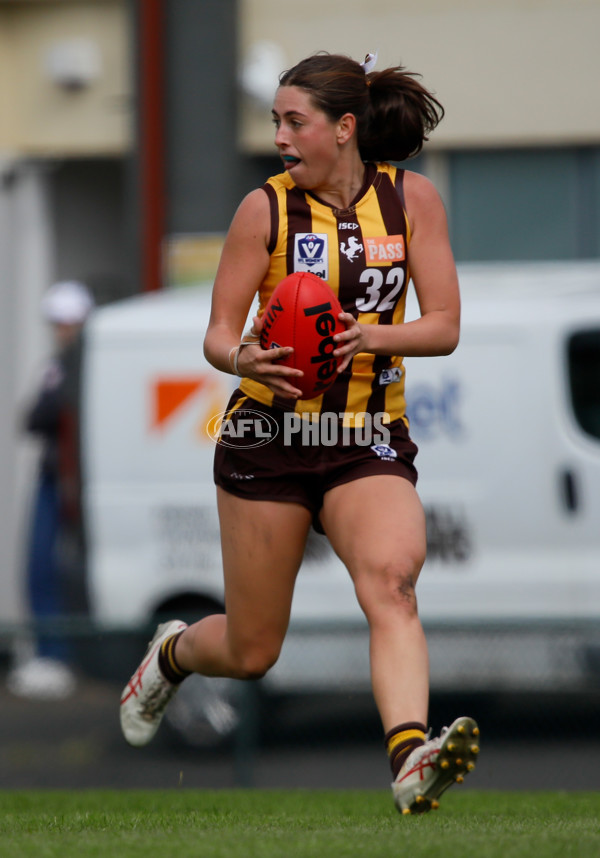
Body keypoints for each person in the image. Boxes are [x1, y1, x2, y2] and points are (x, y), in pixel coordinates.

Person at [120, 51, 480, 814]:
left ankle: (411, 758)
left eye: (295, 121)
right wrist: (240, 352)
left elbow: (444, 325)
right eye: (276, 121)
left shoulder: (414, 201)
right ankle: (172, 653)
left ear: (345, 128)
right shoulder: (265, 209)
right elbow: (218, 334)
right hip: (268, 439)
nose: (280, 136)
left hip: (363, 434)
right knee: (253, 652)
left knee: (392, 584)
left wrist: (370, 340)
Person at [7, 280, 94, 700]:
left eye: (67, 322)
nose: (62, 330)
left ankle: (59, 655)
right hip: (56, 478)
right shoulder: (58, 365)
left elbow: (42, 414)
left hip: (72, 481)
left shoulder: (80, 365)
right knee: (41, 565)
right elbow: (33, 418)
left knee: (56, 566)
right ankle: (50, 653)